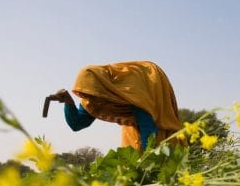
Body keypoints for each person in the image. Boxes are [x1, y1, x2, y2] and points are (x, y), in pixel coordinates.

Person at [50, 61, 184, 151]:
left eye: (92, 94)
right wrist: (69, 103)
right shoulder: (92, 97)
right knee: (130, 163)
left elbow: (148, 129)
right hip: (133, 129)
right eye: (86, 95)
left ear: (101, 87)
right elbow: (77, 124)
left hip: (154, 125)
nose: (90, 100)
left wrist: (147, 162)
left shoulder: (132, 91)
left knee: (162, 162)